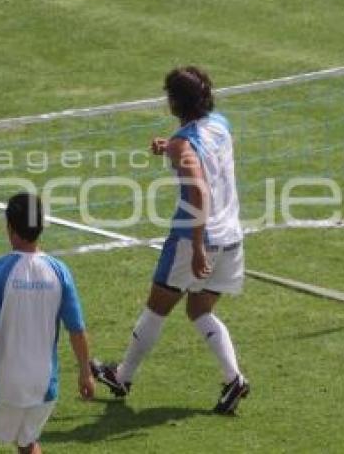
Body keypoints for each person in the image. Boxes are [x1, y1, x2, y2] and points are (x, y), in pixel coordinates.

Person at [91, 66, 250, 415]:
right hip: (232, 237)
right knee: (199, 309)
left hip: (194, 238)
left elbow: (197, 189)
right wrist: (170, 149)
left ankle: (122, 376)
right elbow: (202, 157)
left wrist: (195, 247)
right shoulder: (220, 125)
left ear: (176, 101)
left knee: (158, 306)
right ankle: (233, 379)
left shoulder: (183, 143)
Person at [0, 192, 94, 453]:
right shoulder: (59, 271)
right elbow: (76, 330)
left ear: (10, 227)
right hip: (43, 384)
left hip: (1, 382)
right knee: (27, 442)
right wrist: (85, 372)